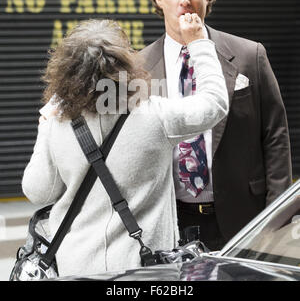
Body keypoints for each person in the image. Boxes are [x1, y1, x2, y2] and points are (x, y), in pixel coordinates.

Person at [22, 17, 228, 277]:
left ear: (66, 69)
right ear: (126, 64)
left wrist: (45, 125)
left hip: (76, 267)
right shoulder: (156, 116)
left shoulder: (57, 124)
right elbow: (215, 103)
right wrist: (199, 43)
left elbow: (38, 192)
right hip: (143, 270)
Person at [141, 0, 293, 251]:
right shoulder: (138, 68)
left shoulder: (250, 55)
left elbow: (275, 136)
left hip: (245, 219)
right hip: (169, 222)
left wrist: (277, 216)